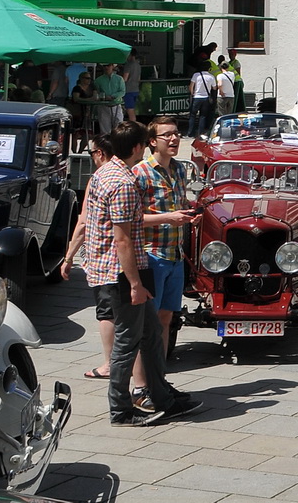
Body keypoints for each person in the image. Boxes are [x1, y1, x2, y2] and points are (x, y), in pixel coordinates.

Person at [86, 121, 197, 425]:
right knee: (127, 343)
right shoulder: (123, 182)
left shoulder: (105, 172)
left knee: (150, 334)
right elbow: (122, 238)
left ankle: (163, 397)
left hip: (127, 270)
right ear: (139, 146)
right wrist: (135, 283)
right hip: (120, 274)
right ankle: (121, 410)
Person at [130, 117, 197, 408]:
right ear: (152, 142)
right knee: (145, 325)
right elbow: (131, 219)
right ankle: (139, 388)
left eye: (176, 134)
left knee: (166, 319)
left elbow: (178, 207)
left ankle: (159, 381)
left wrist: (189, 213)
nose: (174, 139)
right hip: (151, 256)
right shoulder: (140, 172)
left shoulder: (180, 169)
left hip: (175, 256)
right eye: (167, 135)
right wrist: (168, 218)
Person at [63, 137, 116, 380]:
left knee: (106, 312)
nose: (92, 157)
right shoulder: (130, 173)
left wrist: (69, 257)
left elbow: (83, 222)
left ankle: (110, 364)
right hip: (131, 259)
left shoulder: (99, 178)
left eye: (92, 152)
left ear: (100, 153)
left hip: (105, 258)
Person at [93, 63, 126, 136]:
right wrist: (103, 97)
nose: (106, 67)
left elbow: (122, 91)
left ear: (112, 66)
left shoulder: (119, 79)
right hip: (103, 106)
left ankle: (118, 142)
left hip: (116, 105)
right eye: (104, 66)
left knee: (120, 129)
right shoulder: (98, 80)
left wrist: (112, 96)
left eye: (108, 65)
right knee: (105, 131)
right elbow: (96, 93)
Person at [188, 62, 218, 140]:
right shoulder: (211, 77)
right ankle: (200, 133)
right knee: (203, 116)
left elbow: (191, 86)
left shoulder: (196, 75)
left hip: (196, 97)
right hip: (206, 98)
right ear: (209, 68)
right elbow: (214, 88)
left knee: (192, 115)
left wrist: (192, 94)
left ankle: (190, 133)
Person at [122, 51, 143, 123]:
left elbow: (125, 78)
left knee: (129, 110)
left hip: (128, 90)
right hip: (136, 89)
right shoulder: (138, 65)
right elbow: (139, 79)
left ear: (130, 55)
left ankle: (133, 125)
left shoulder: (128, 65)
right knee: (132, 109)